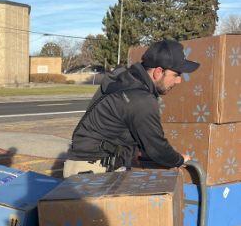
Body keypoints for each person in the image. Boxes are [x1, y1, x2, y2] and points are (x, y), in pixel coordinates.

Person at [65, 39, 199, 177]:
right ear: (158, 72)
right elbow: (158, 149)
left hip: (85, 165)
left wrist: (132, 150)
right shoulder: (141, 99)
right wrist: (179, 159)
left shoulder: (124, 81)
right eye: (176, 74)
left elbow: (114, 125)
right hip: (92, 170)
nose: (179, 81)